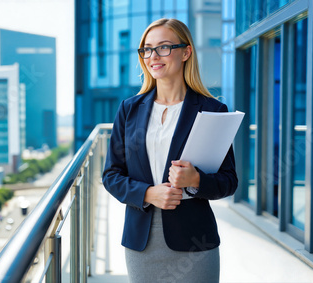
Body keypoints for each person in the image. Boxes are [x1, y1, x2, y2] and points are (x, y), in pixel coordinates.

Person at [102, 18, 238, 283]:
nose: (153, 56)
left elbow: (229, 181)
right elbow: (111, 175)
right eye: (147, 49)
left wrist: (196, 180)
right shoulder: (129, 110)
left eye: (164, 47)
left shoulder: (212, 111)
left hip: (194, 241)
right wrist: (148, 193)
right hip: (142, 237)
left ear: (186, 52)